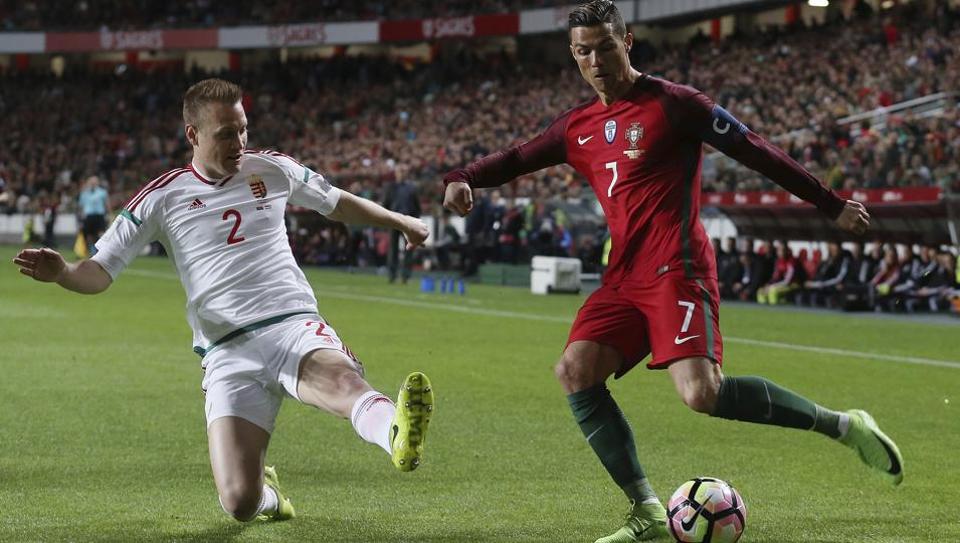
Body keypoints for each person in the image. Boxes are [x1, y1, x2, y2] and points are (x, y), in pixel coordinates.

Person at [441, 3, 902, 542]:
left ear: (628, 41)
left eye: (605, 47)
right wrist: (463, 175)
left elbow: (755, 150)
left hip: (677, 267)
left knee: (701, 394)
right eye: (583, 51)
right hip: (622, 277)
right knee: (574, 371)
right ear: (573, 55)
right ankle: (647, 512)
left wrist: (829, 204)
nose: (595, 60)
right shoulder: (577, 127)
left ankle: (845, 425)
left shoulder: (676, 104)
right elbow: (518, 158)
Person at [13, 78, 435, 524]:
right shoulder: (162, 197)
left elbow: (335, 203)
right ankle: (271, 497)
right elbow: (98, 272)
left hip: (291, 323)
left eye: (243, 129)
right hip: (227, 352)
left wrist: (400, 221)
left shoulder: (273, 169)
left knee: (342, 384)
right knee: (239, 502)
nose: (239, 142)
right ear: (193, 135)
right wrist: (62, 273)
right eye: (225, 133)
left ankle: (397, 434)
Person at [383, 165, 422, 283]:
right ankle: (392, 275)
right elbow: (385, 204)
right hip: (394, 220)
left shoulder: (412, 188)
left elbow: (417, 206)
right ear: (395, 173)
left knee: (409, 249)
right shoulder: (390, 187)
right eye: (400, 171)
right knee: (393, 249)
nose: (402, 173)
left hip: (408, 222)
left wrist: (415, 222)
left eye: (404, 171)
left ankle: (406, 276)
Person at [77, 175, 111, 253]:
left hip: (99, 216)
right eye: (91, 182)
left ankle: (101, 249)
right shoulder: (84, 193)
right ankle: (93, 250)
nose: (93, 183)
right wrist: (80, 217)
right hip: (88, 216)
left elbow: (107, 204)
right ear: (88, 183)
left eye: (94, 182)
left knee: (101, 233)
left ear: (97, 183)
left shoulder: (102, 192)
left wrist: (109, 214)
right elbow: (81, 206)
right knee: (89, 235)